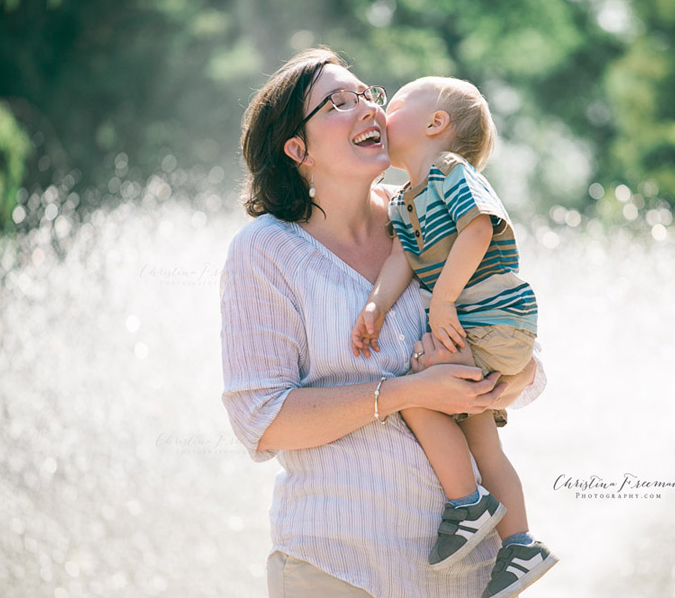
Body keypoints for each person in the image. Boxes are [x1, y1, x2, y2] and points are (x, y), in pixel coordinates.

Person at [220, 48, 546, 598]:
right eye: (337, 103)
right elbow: (262, 418)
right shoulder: (266, 251)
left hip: (468, 582)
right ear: (298, 149)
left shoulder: (429, 205)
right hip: (337, 568)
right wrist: (402, 393)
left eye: (367, 94)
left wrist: (492, 382)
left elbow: (529, 367)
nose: (369, 108)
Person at [349, 76, 558, 598]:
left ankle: (467, 505)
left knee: (413, 390)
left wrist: (442, 301)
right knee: (483, 438)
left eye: (390, 104)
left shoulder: (450, 172)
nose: (378, 112)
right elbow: (401, 258)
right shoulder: (405, 201)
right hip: (478, 326)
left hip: (491, 321)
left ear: (435, 124)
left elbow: (480, 229)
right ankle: (520, 546)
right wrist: (375, 304)